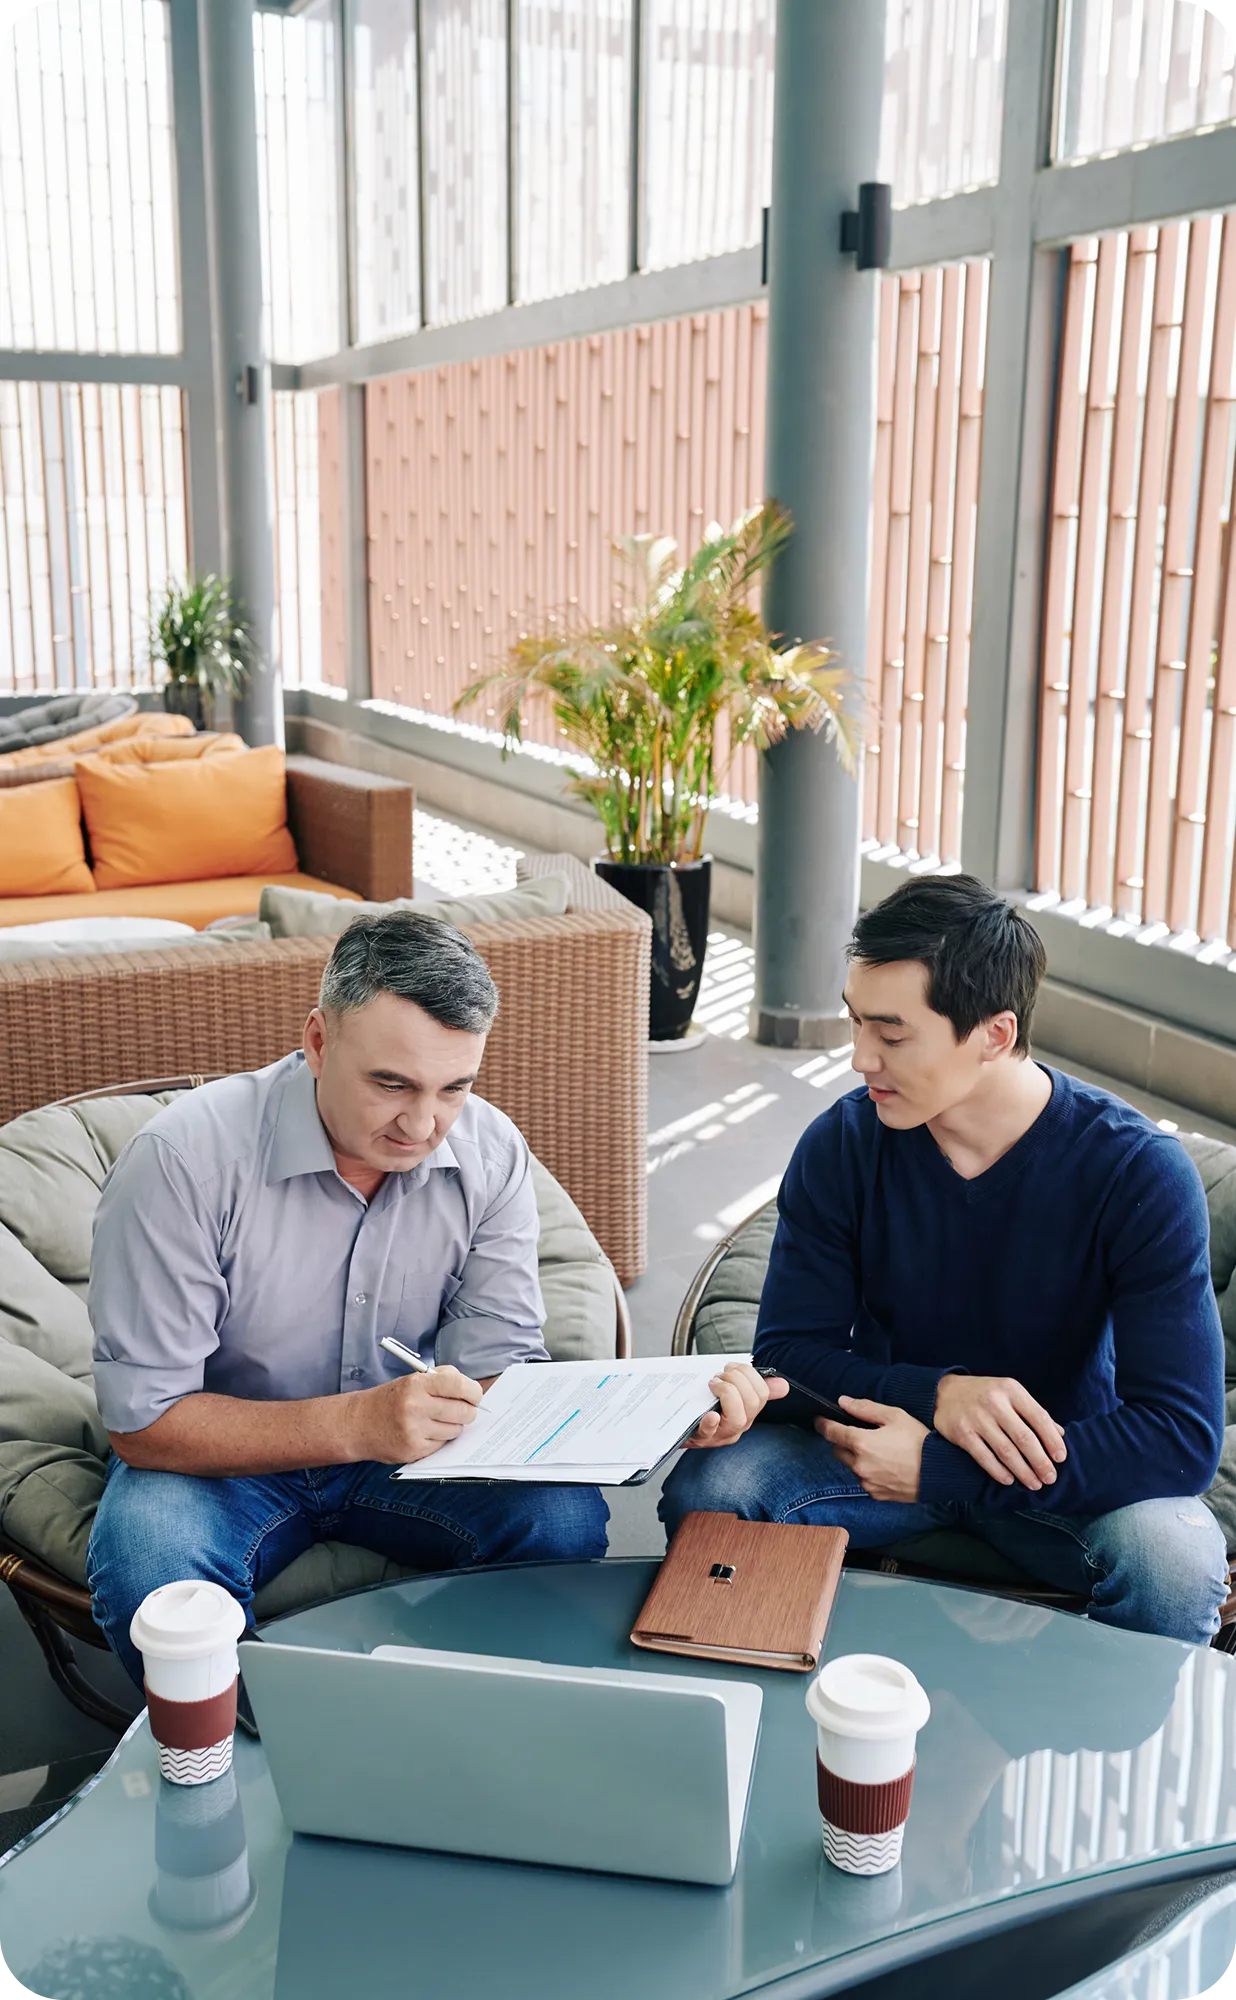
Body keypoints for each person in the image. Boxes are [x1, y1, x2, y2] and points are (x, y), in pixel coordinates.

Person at [87, 910, 771, 1685]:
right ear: (317, 1041)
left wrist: (650, 1426)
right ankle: (266, 1753)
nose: (423, 1124)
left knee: (561, 1519)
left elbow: (500, 1376)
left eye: (455, 1087)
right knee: (146, 1564)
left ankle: (460, 1717)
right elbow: (144, 1424)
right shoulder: (180, 1163)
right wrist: (359, 1423)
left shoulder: (488, 1150)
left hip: (416, 1450)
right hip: (225, 1456)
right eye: (391, 1084)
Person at [661, 875, 1230, 1644]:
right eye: (857, 1022)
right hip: (874, 1453)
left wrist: (944, 1467)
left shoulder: (1136, 1174)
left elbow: (1180, 1435)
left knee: (1175, 1562)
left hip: (1057, 1477)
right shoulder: (843, 1145)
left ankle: (1083, 1751)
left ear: (994, 1034)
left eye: (892, 1035)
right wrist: (941, 1397)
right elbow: (791, 1352)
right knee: (713, 1485)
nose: (861, 1058)